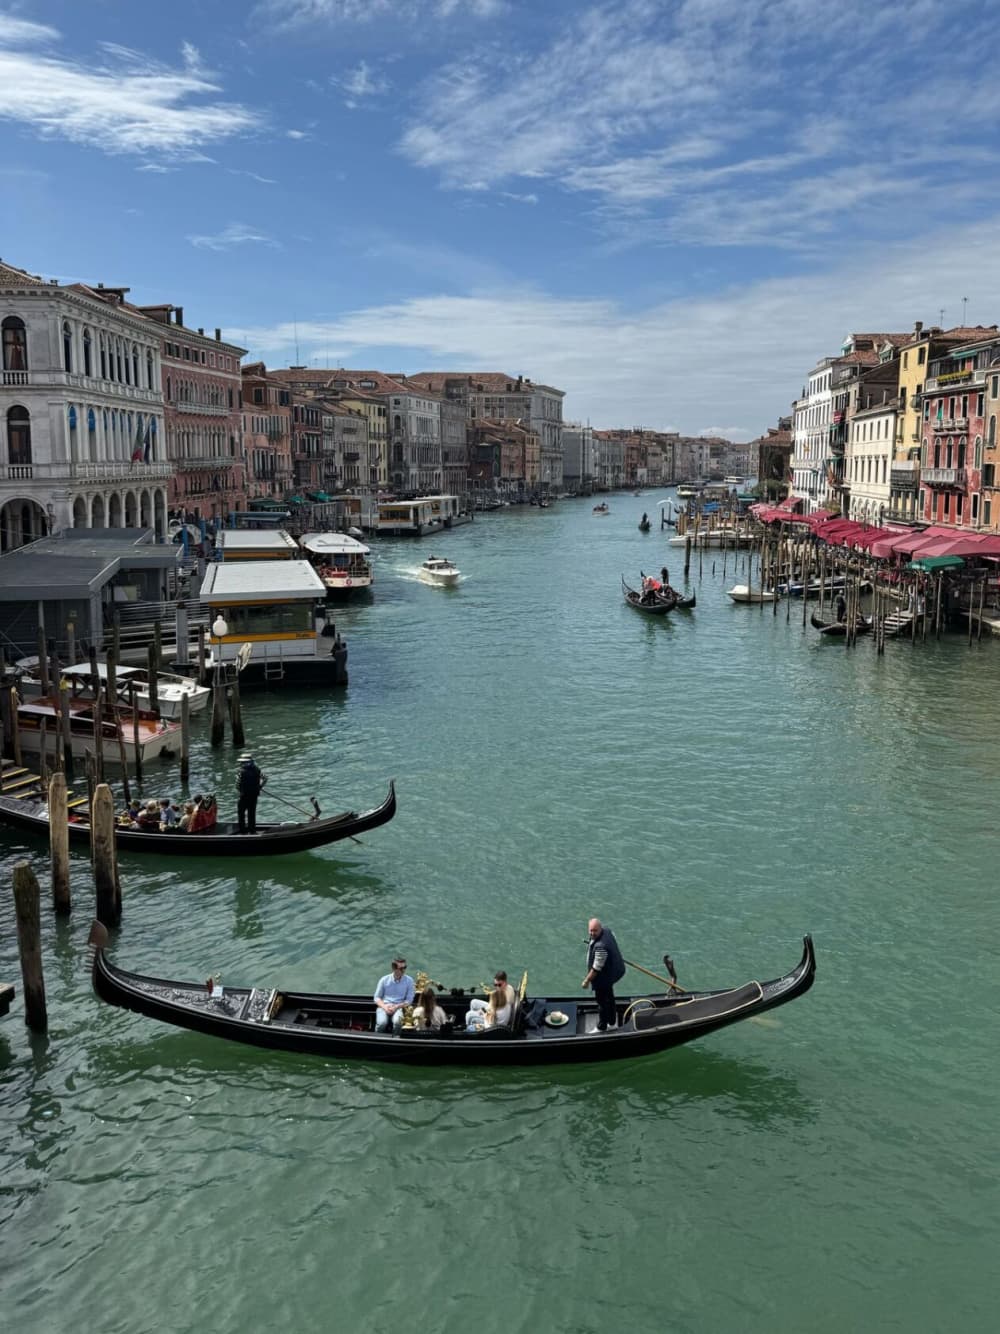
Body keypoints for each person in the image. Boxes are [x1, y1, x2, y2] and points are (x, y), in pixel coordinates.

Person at [582, 917, 626, 1031]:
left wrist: (586, 981)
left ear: (600, 928)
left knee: (602, 1002)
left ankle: (602, 1027)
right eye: (590, 930)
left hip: (603, 977)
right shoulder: (607, 931)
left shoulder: (601, 947)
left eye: (595, 930)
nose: (592, 933)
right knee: (609, 997)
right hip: (609, 973)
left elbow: (596, 968)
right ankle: (612, 1022)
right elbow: (613, 941)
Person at [373, 956, 415, 1033]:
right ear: (394, 968)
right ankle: (377, 1038)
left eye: (405, 967)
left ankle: (396, 1038)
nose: (404, 970)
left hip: (398, 1007)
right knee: (382, 1023)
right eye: (401, 968)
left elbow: (409, 1000)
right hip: (384, 1006)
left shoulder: (409, 981)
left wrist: (396, 1006)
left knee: (398, 1022)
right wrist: (385, 1007)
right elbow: (377, 998)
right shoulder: (384, 980)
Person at [236, 754, 266, 834]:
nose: (241, 764)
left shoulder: (240, 771)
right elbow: (265, 778)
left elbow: (237, 784)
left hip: (244, 796)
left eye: (242, 762)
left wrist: (240, 791)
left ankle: (243, 831)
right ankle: (252, 830)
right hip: (254, 795)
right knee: (252, 813)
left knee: (241, 813)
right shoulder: (257, 769)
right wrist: (260, 786)